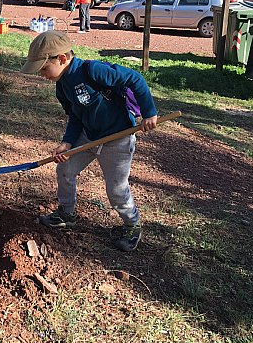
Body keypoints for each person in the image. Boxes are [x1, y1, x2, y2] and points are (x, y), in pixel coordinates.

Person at [20, 31, 158, 252]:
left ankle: (132, 225)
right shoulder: (61, 87)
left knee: (116, 188)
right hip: (88, 136)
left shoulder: (92, 71)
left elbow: (135, 79)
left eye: (44, 68)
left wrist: (149, 112)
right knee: (65, 168)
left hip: (118, 138)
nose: (43, 75)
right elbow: (76, 115)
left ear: (62, 58)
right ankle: (66, 213)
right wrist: (67, 142)